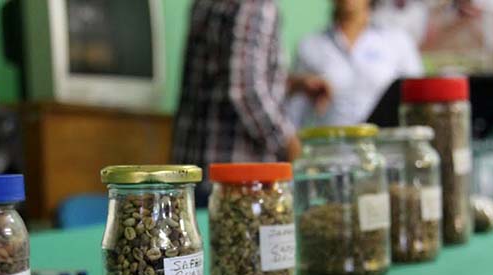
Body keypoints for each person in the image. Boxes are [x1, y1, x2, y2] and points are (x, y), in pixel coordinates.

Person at [171, 0, 330, 205]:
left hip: (192, 174)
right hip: (238, 181)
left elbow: (220, 77)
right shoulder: (255, 6)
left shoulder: (205, 4)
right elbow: (245, 91)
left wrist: (294, 84)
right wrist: (290, 144)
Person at [286, 0, 423, 128]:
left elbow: (418, 105)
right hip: (331, 143)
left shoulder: (398, 42)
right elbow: (294, 114)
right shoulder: (309, 46)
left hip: (385, 144)